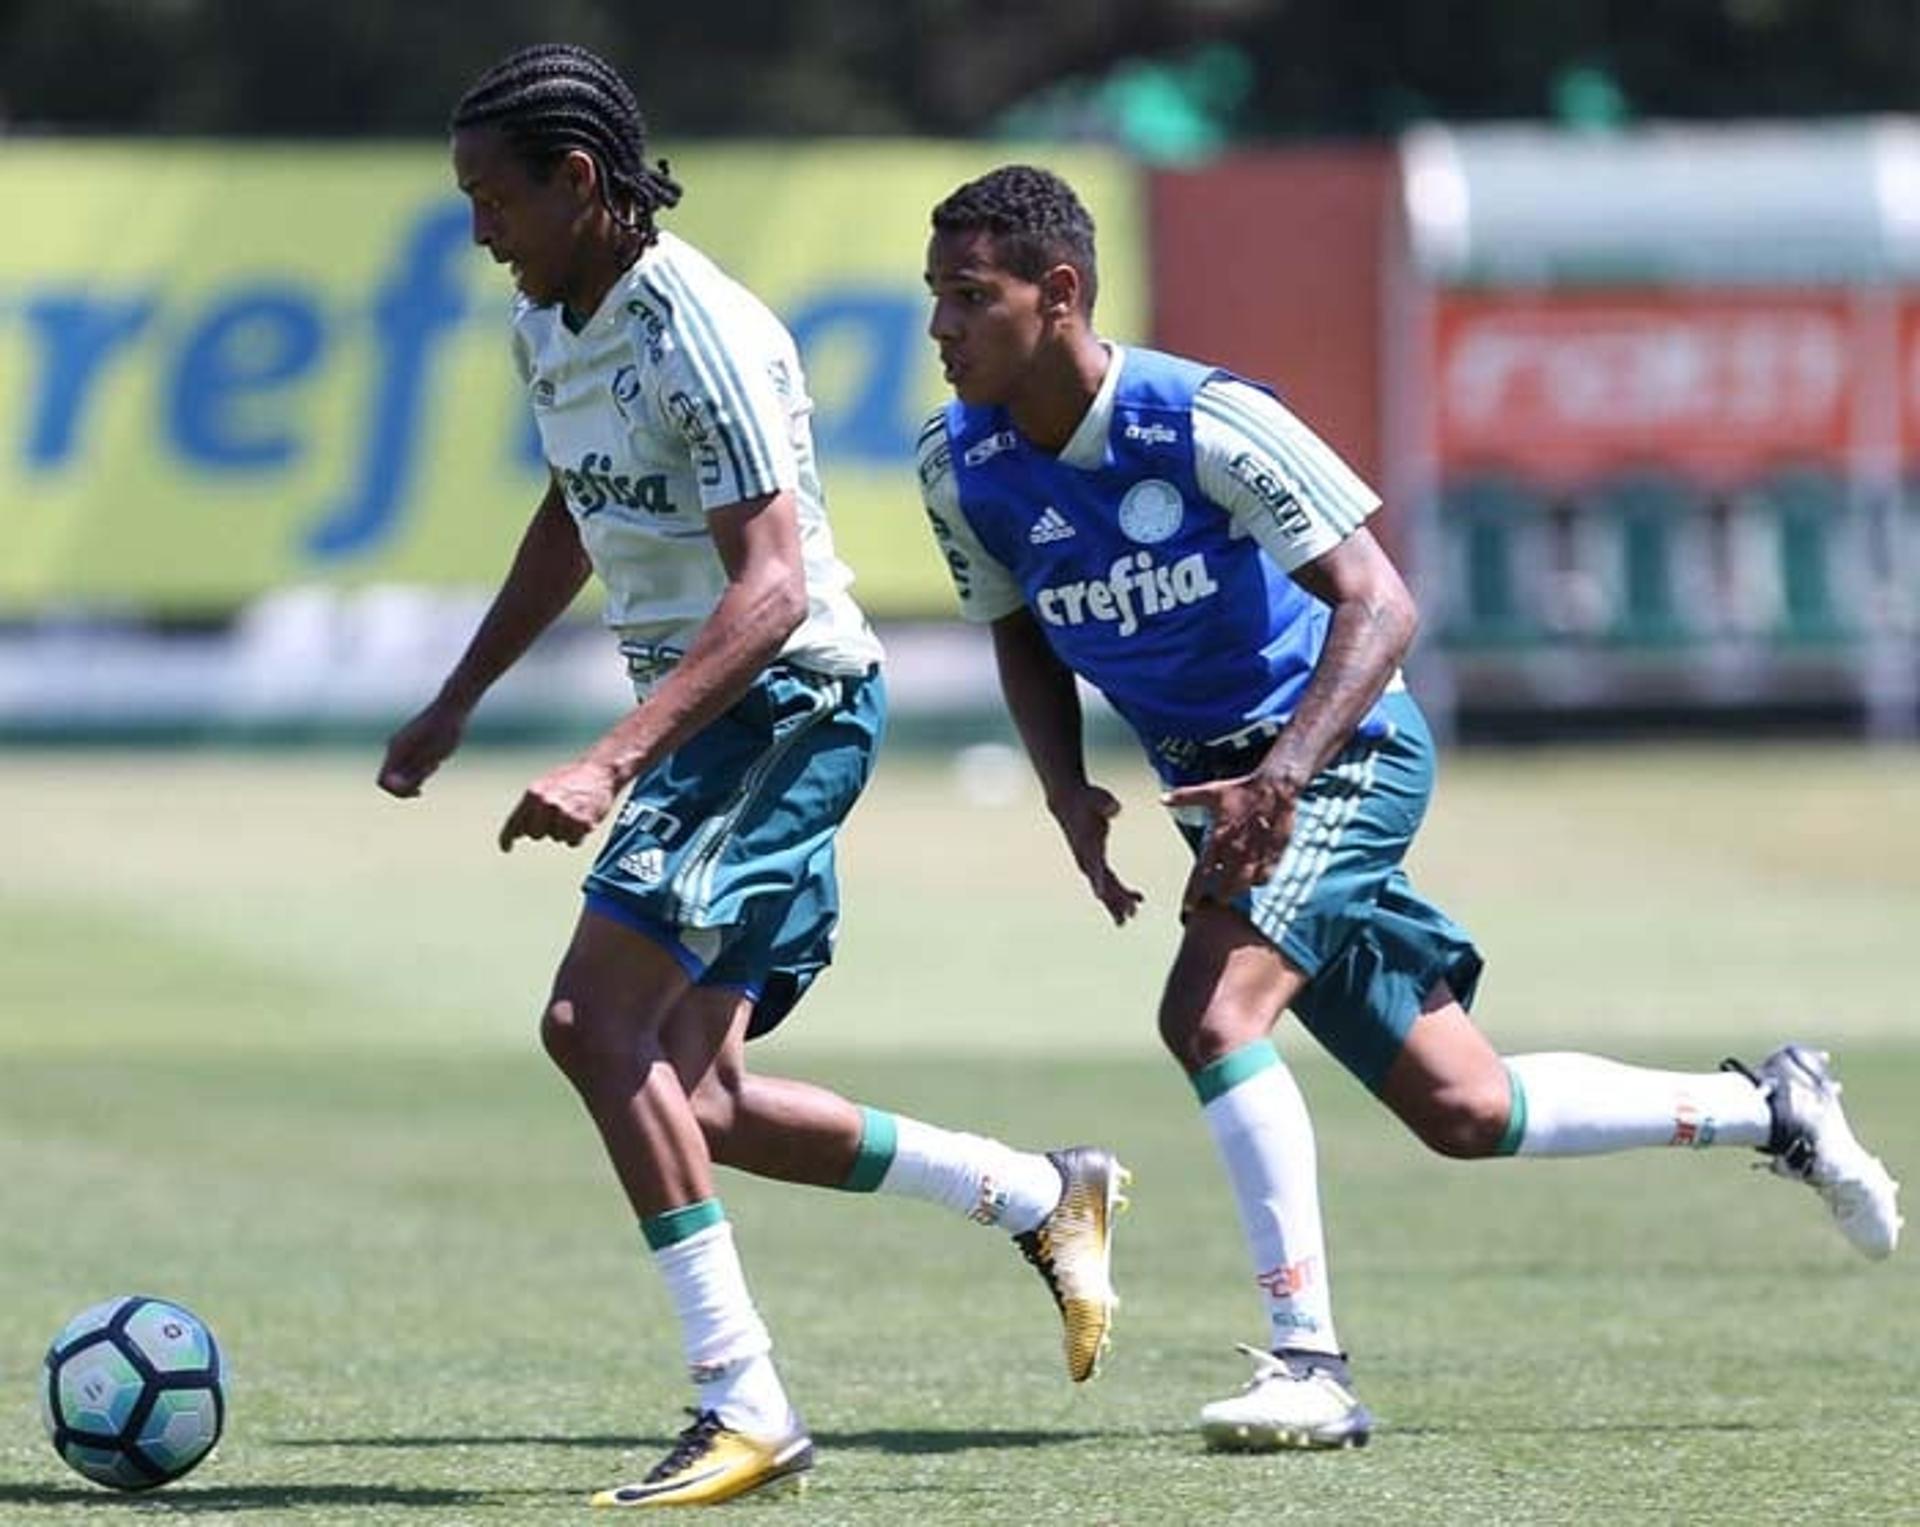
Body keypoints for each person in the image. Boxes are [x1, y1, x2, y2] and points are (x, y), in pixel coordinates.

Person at [914, 163, 1902, 1452]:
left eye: (968, 298)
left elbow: (1380, 604)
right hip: (1228, 797)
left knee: (1211, 1016)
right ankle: (1772, 1108)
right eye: (934, 297)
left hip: (1340, 755)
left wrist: (1280, 779)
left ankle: (1309, 1366)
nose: (940, 328)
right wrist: (1063, 792)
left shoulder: (1204, 421)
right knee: (1464, 1109)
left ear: (1060, 294)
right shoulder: (961, 462)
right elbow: (1018, 630)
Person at [378, 57, 1126, 1508]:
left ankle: (746, 1402)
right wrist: (460, 696)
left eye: (496, 197)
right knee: (699, 1096)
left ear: (580, 182)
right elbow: (579, 511)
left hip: (780, 705)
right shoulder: (554, 319)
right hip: (724, 714)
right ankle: (1043, 1195)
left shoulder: (698, 330)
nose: (481, 230)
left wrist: (611, 759)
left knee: (593, 1025)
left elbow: (774, 593)